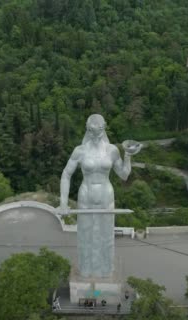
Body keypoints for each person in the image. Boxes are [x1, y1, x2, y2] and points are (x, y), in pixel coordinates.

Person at [59, 114, 140, 277]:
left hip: (106, 195)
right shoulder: (79, 151)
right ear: (87, 130)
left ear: (104, 128)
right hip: (86, 195)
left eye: (99, 130)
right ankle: (86, 269)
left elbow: (124, 175)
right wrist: (63, 203)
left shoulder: (112, 150)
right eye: (92, 130)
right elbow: (66, 175)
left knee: (106, 236)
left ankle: (105, 269)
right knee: (85, 235)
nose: (96, 134)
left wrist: (128, 156)